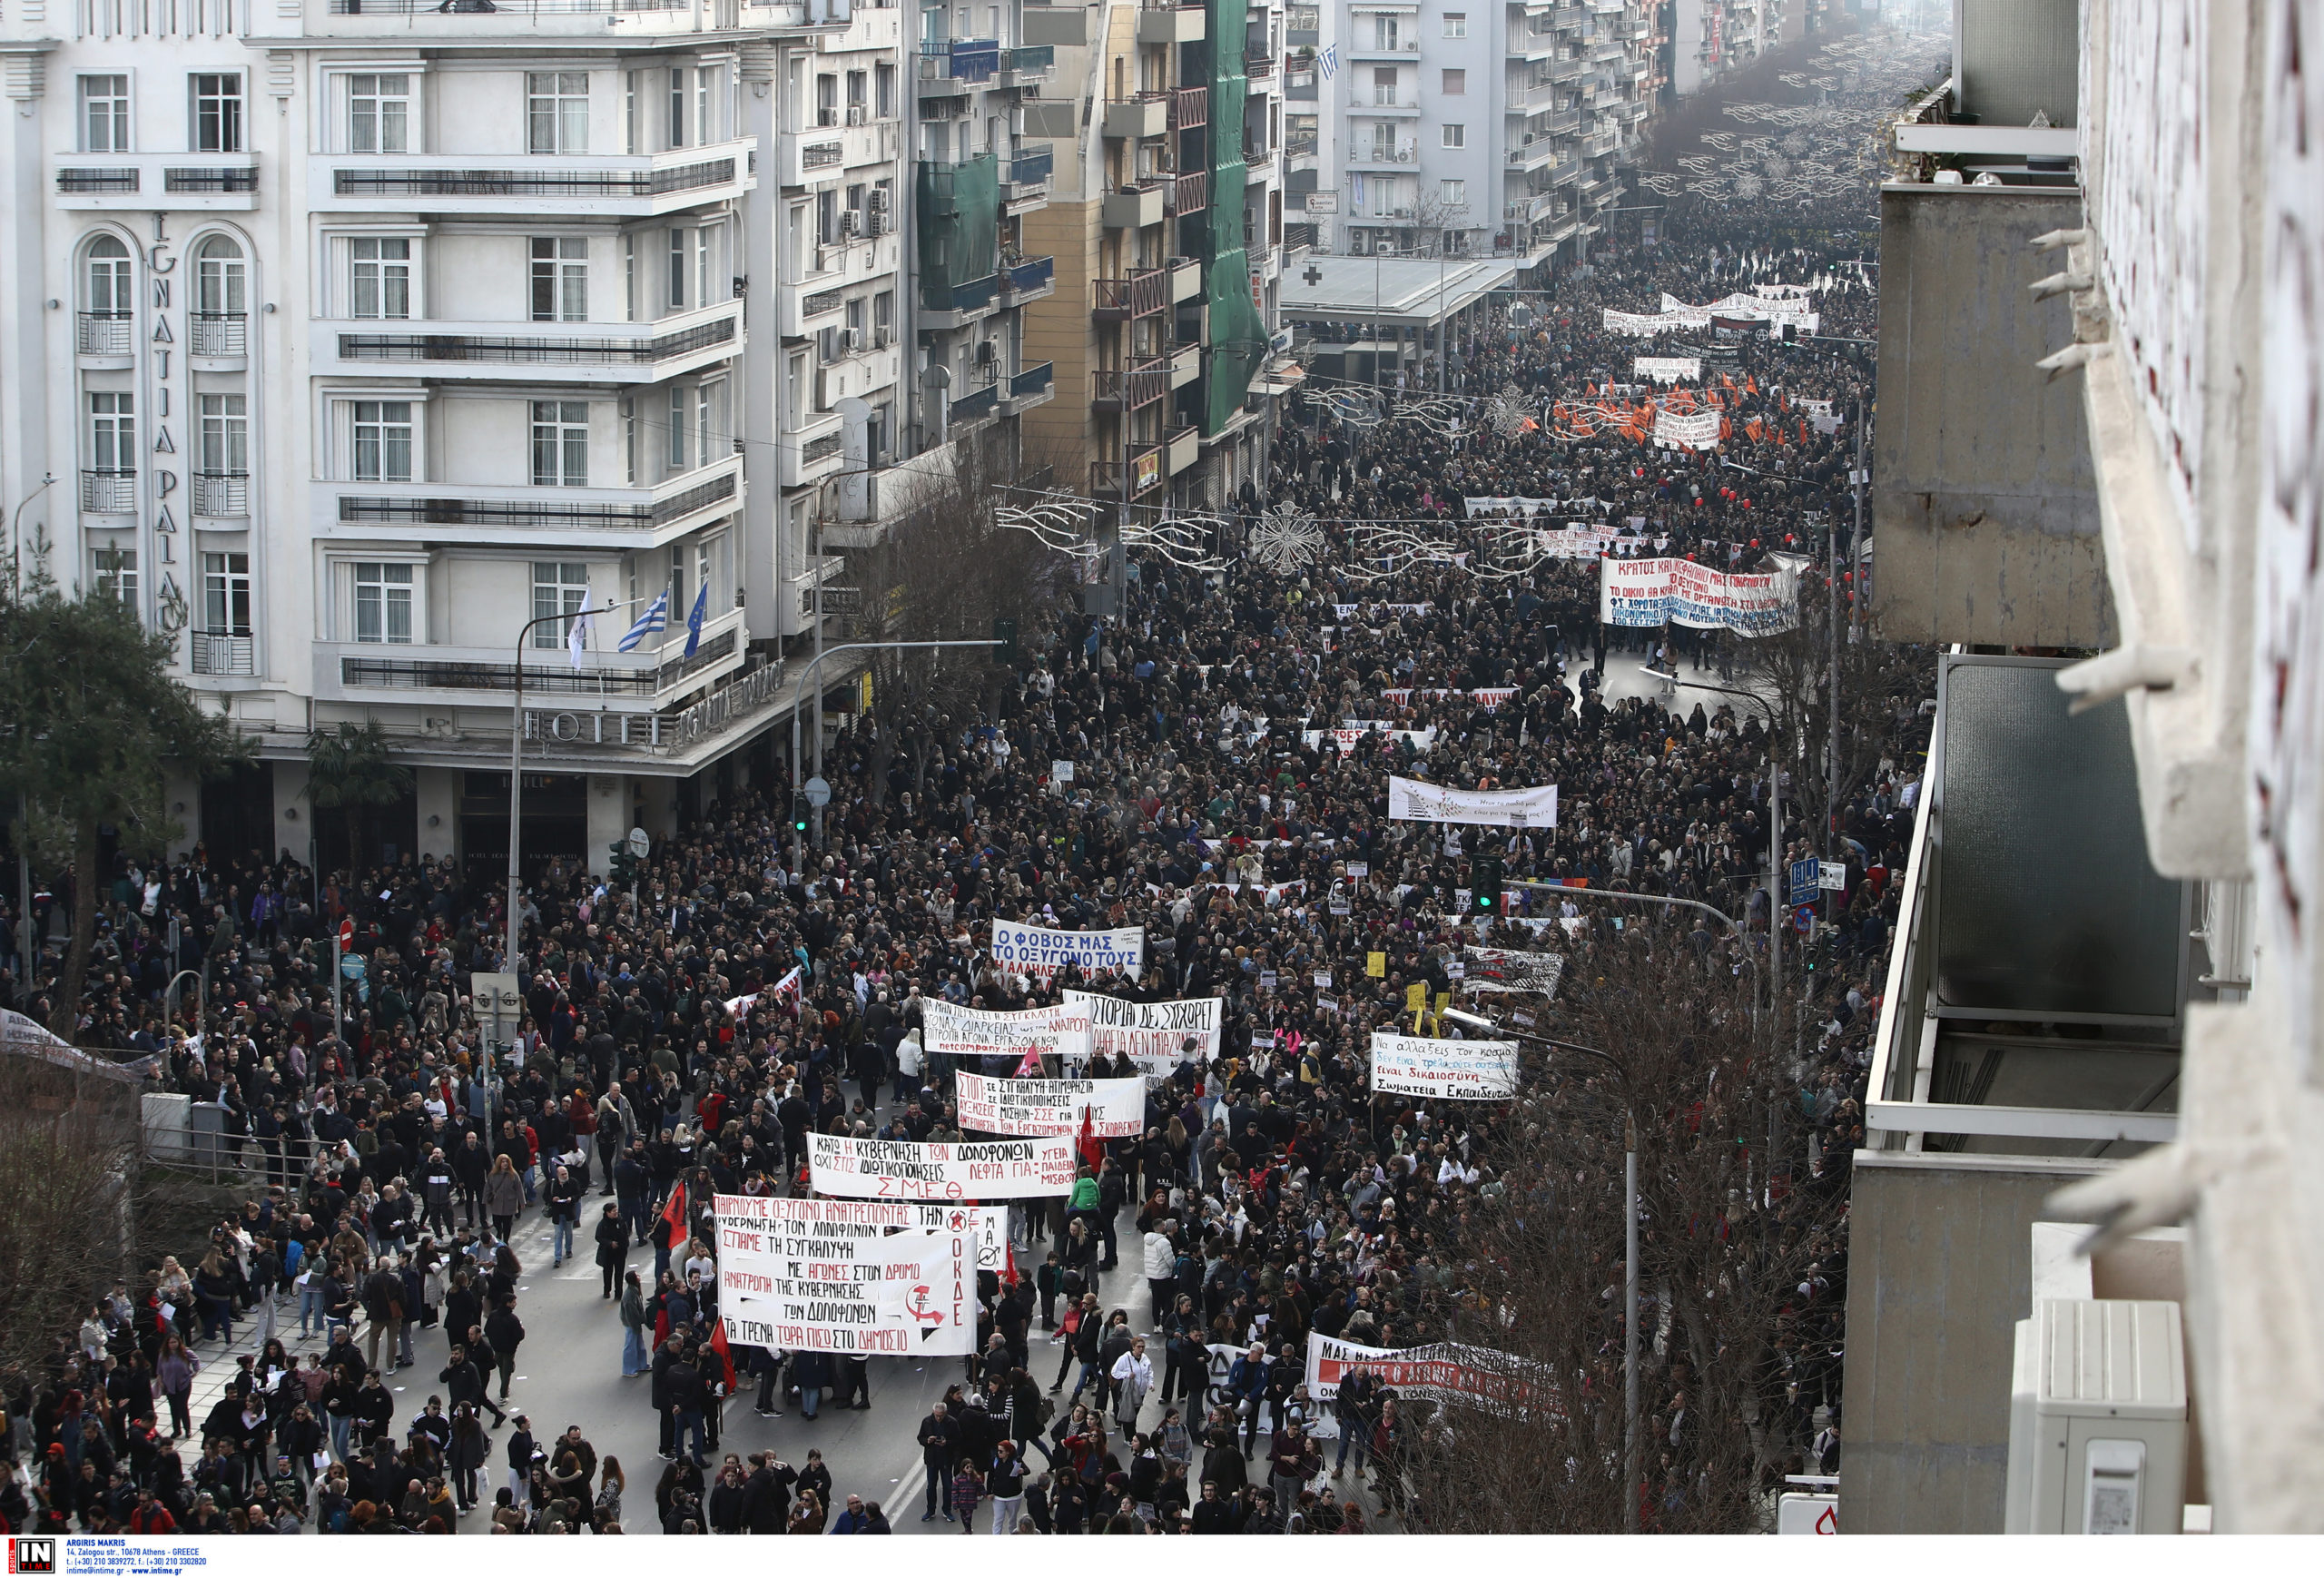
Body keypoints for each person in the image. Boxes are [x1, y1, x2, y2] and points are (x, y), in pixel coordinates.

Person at [917, 1400, 960, 1522]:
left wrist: (947, 1443)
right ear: (933, 1412)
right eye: (936, 1415)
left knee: (947, 1486)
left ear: (945, 1413)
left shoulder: (952, 1422)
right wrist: (927, 1441)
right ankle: (930, 1510)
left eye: (941, 1416)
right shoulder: (927, 1421)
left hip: (946, 1460)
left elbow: (958, 1440)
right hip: (932, 1460)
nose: (938, 1418)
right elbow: (920, 1438)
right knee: (931, 1486)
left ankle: (947, 1510)